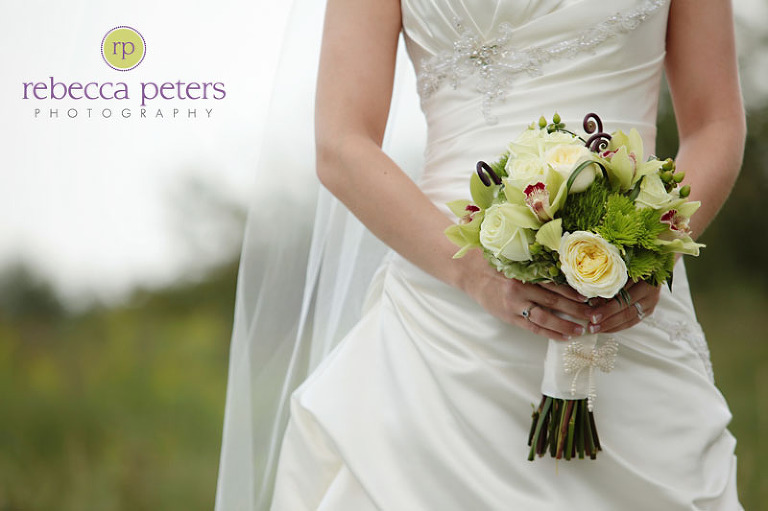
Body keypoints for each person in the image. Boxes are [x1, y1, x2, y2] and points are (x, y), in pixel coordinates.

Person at [216, 0, 746, 509]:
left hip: (630, 313)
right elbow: (341, 145)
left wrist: (656, 250)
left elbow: (715, 124)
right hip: (444, 321)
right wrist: (476, 275)